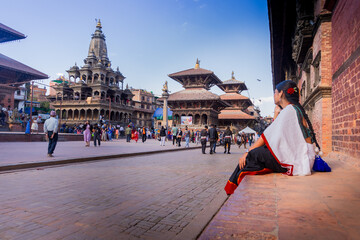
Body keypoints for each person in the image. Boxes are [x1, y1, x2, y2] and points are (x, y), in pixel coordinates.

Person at [224, 80, 318, 195]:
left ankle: (231, 188)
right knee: (259, 154)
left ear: (281, 94)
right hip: (301, 158)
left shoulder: (289, 111)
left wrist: (248, 151)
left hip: (296, 160)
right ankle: (235, 184)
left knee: (252, 155)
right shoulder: (293, 110)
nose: (274, 95)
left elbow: (266, 136)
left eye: (275, 92)